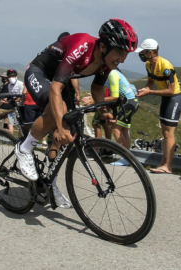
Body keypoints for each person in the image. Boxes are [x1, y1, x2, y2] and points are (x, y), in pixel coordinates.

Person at [15, 18, 138, 208]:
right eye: (120, 52)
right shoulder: (82, 46)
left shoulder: (106, 63)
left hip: (59, 79)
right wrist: (58, 125)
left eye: (126, 54)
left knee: (67, 132)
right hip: (39, 73)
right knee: (59, 113)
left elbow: (97, 89)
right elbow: (55, 89)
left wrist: (103, 111)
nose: (122, 59)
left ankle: (50, 184)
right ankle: (25, 148)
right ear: (104, 46)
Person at [135, 38, 181, 174]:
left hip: (174, 98)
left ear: (151, 52)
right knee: (165, 132)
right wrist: (145, 89)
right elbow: (150, 81)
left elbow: (171, 90)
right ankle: (163, 163)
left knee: (169, 134)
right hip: (166, 99)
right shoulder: (148, 64)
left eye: (143, 52)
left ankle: (168, 166)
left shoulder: (166, 66)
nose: (142, 55)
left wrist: (150, 92)